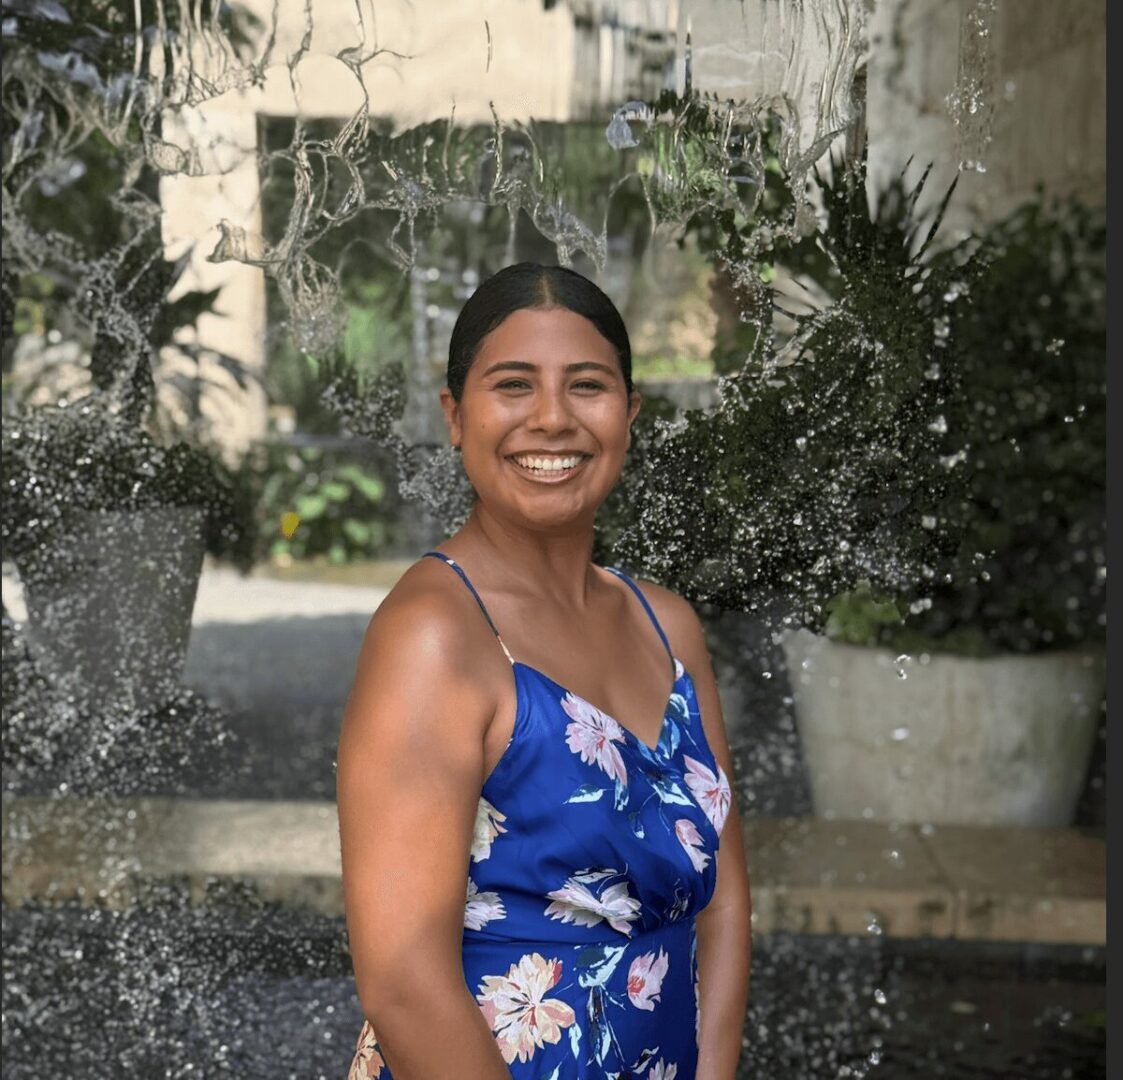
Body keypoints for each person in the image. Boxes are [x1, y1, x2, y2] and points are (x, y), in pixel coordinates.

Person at [337, 262, 751, 1079]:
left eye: (586, 386)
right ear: (455, 416)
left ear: (628, 414)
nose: (553, 418)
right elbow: (402, 982)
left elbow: (725, 902)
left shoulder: (668, 628)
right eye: (513, 386)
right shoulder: (434, 636)